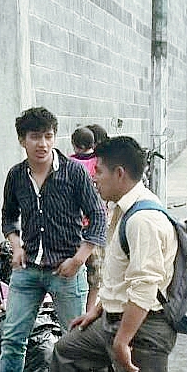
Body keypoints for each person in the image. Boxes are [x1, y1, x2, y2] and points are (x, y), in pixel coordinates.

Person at [38, 135, 178, 372]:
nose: (93, 177)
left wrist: (123, 340)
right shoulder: (121, 209)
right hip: (114, 320)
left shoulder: (145, 218)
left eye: (98, 171)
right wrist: (96, 312)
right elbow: (119, 277)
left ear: (119, 173)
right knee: (66, 350)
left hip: (143, 328)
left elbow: (146, 286)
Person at [0, 107, 107, 372]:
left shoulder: (73, 172)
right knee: (13, 336)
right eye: (34, 137)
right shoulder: (17, 175)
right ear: (22, 140)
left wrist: (79, 259)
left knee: (76, 343)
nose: (42, 143)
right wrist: (15, 245)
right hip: (27, 270)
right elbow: (8, 215)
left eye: (47, 136)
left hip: (66, 272)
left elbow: (97, 215)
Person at [69, 126, 104, 314]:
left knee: (74, 273)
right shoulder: (100, 163)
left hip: (74, 229)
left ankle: (77, 310)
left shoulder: (67, 162)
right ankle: (90, 311)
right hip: (96, 228)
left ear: (75, 145)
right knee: (96, 277)